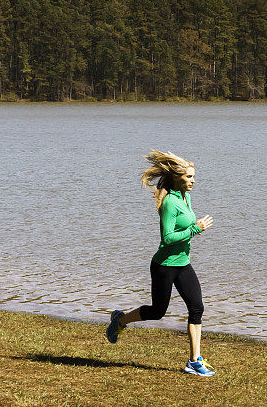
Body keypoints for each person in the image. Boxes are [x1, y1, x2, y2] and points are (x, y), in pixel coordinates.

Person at [105, 149, 216, 377]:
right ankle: (120, 320)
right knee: (157, 312)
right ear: (177, 177)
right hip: (164, 265)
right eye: (188, 177)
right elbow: (166, 238)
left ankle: (194, 361)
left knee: (197, 308)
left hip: (183, 263)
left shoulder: (186, 196)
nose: (193, 181)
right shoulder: (169, 204)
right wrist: (195, 228)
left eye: (194, 177)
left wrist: (190, 228)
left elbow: (181, 227)